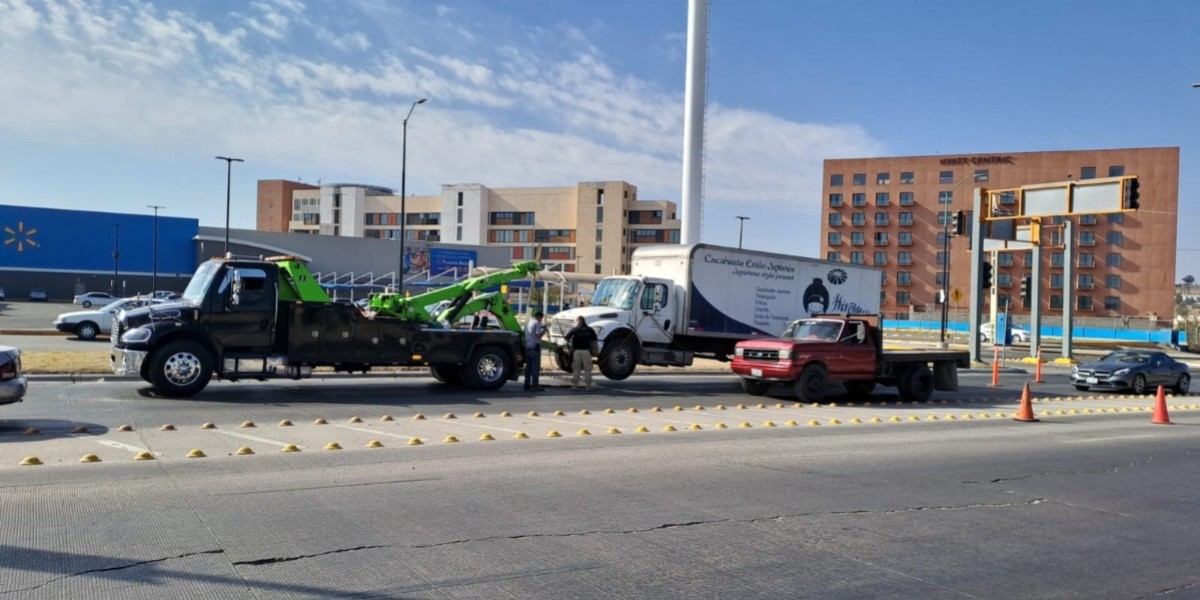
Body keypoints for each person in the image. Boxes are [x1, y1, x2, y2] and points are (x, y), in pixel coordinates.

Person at [564, 316, 598, 390]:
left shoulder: (575, 329)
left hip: (577, 352)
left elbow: (566, 337)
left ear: (578, 321)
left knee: (576, 369)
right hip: (586, 352)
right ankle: (588, 386)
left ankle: (575, 386)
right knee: (587, 369)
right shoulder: (590, 329)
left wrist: (569, 342)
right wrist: (596, 351)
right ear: (584, 321)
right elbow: (595, 340)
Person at [523, 311, 547, 391]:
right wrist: (544, 330)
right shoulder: (536, 323)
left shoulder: (527, 322)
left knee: (528, 368)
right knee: (535, 368)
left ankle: (526, 384)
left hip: (527, 347)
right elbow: (538, 335)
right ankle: (535, 385)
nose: (541, 320)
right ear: (539, 316)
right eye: (541, 318)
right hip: (534, 348)